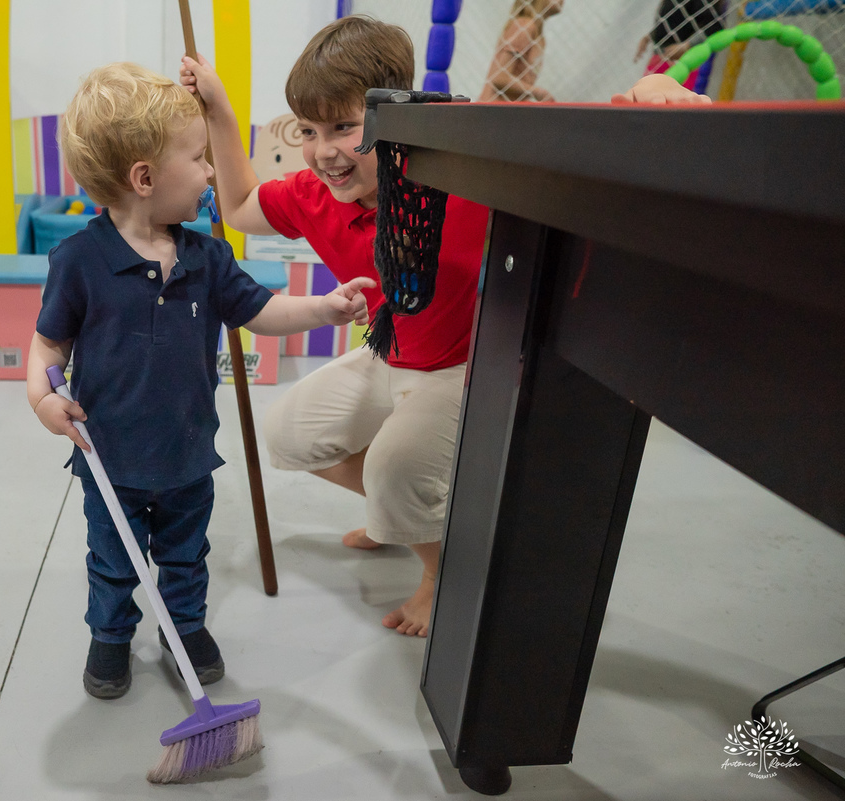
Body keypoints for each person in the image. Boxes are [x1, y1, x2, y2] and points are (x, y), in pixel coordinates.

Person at [180, 16, 710, 637]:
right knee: (288, 435)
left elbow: (563, 141)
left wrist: (643, 96)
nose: (323, 151)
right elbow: (240, 208)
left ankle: (437, 565)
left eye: (346, 128)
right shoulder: (315, 194)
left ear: (396, 116)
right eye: (310, 131)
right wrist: (218, 106)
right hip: (388, 354)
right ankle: (412, 517)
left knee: (393, 473)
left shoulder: (457, 174)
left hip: (461, 366)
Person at [26, 62, 375, 699]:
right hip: (111, 460)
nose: (213, 171)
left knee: (186, 554)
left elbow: (262, 311)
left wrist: (324, 308)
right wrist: (43, 398)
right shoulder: (78, 261)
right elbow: (48, 345)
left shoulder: (208, 257)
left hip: (188, 455)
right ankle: (110, 635)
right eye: (199, 157)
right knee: (113, 561)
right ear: (144, 178)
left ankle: (184, 627)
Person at [480, 0, 565, 103]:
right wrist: (537, 92)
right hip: (494, 109)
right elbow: (499, 78)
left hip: (510, 110)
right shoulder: (525, 26)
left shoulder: (540, 38)